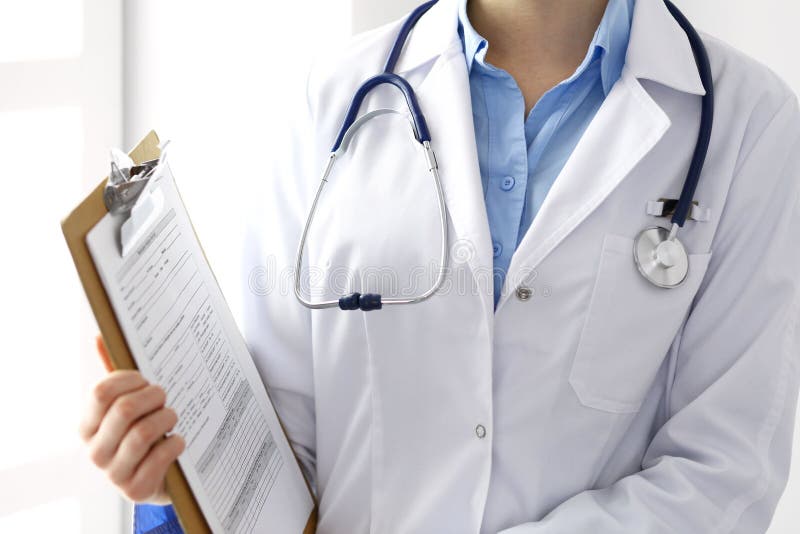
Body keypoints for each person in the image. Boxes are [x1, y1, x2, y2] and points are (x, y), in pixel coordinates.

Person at [80, 0, 800, 532]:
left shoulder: (749, 123)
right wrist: (172, 472)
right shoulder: (329, 99)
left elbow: (722, 477)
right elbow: (281, 442)